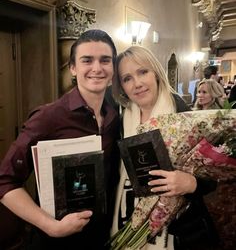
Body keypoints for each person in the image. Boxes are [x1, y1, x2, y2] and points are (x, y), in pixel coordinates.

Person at [0, 29, 120, 249]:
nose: (97, 68)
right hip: (55, 242)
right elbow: (5, 182)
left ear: (113, 68)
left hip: (103, 237)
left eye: (105, 60)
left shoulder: (115, 116)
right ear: (73, 68)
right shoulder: (49, 117)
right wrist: (50, 226)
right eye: (87, 60)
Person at [111, 46, 218, 250]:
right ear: (121, 86)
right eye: (127, 78)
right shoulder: (124, 118)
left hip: (179, 227)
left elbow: (214, 177)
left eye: (143, 72)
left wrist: (191, 183)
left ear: (156, 73)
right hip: (129, 213)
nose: (137, 83)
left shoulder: (180, 112)